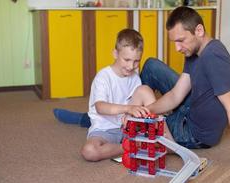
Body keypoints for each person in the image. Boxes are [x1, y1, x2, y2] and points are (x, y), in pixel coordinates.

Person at [54, 7, 230, 172]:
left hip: (192, 132)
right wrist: (138, 110)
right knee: (150, 66)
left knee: (145, 80)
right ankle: (111, 117)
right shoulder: (195, 53)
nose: (177, 48)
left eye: (181, 40)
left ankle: (100, 120)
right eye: (174, 42)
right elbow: (175, 95)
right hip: (186, 113)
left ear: (199, 30)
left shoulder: (214, 57)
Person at [64, 28, 173, 161]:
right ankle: (133, 146)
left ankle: (168, 141)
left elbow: (136, 102)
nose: (131, 66)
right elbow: (100, 107)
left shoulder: (134, 78)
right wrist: (128, 109)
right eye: (126, 60)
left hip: (127, 127)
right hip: (105, 130)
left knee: (144, 89)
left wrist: (131, 114)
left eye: (136, 61)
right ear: (115, 53)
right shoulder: (103, 77)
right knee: (89, 151)